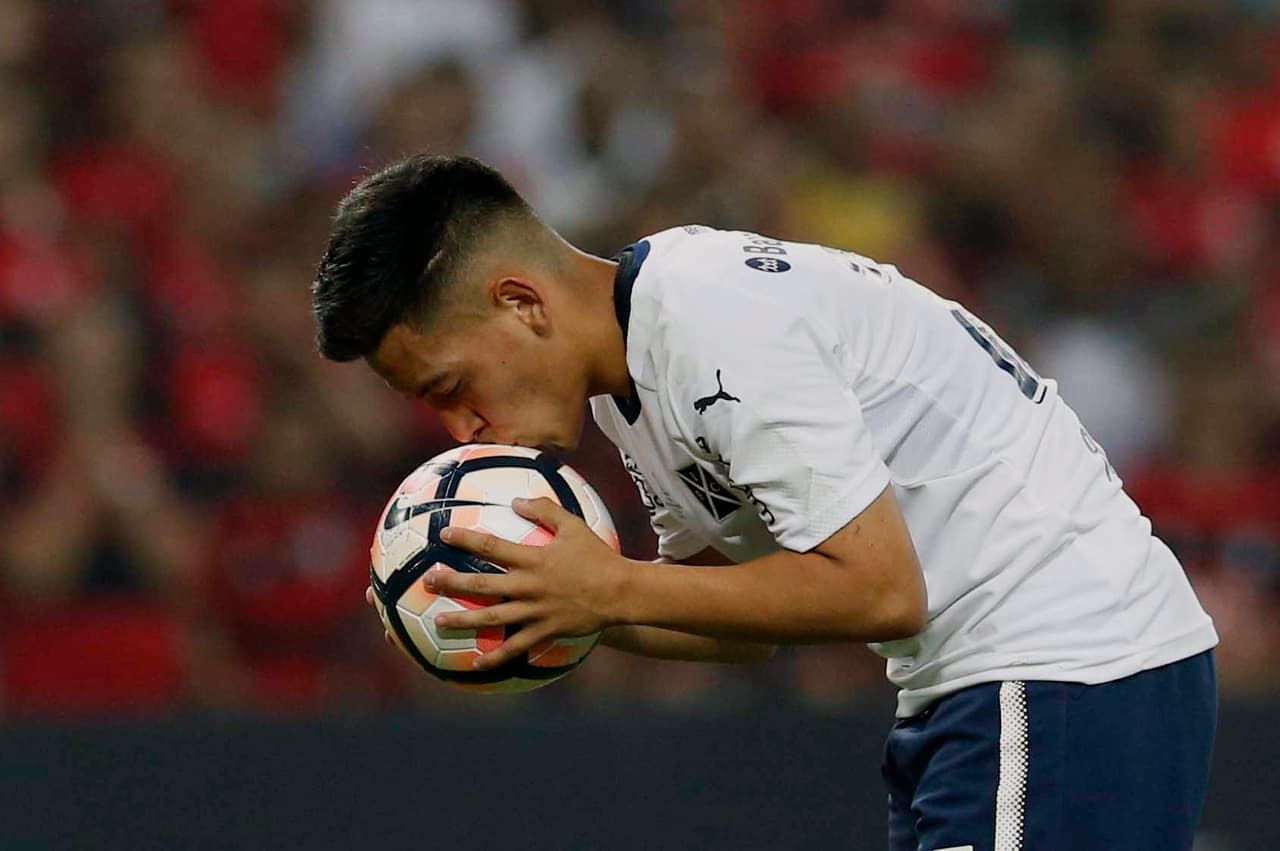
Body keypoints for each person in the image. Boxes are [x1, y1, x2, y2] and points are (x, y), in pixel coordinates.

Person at [311, 154, 1218, 850]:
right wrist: (538, 605)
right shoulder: (638, 358)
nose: (461, 428)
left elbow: (878, 591)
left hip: (1066, 669)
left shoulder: (713, 324)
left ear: (521, 302)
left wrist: (609, 592)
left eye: (451, 383)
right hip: (1002, 684)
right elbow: (745, 613)